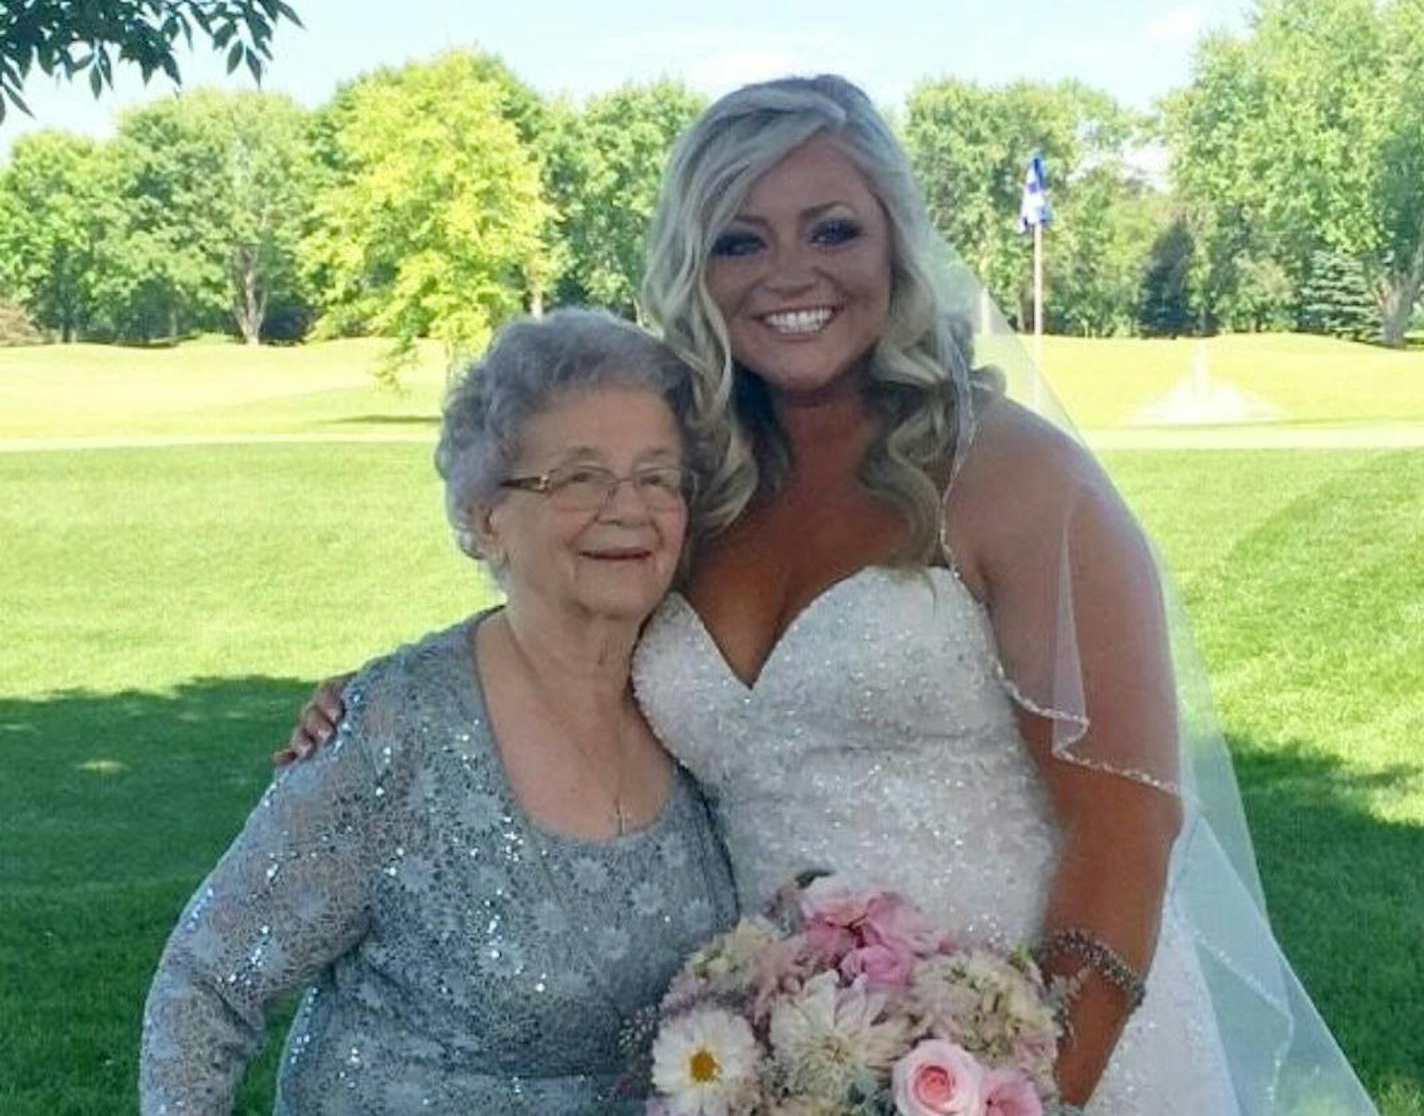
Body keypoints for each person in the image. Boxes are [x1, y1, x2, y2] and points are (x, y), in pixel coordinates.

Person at [292, 77, 1381, 1115]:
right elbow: (569, 667)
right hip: (781, 1055)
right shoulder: (690, 493)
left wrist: (1021, 1085)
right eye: (739, 240)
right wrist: (399, 698)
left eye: (831, 230)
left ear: (895, 243)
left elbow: (1128, 820)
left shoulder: (1010, 475)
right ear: (692, 269)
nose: (788, 273)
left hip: (1046, 1038)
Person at [140, 309, 737, 1115]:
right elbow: (204, 985)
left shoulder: (689, 698)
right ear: (487, 517)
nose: (627, 507)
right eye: (580, 477)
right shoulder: (397, 726)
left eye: (657, 475)